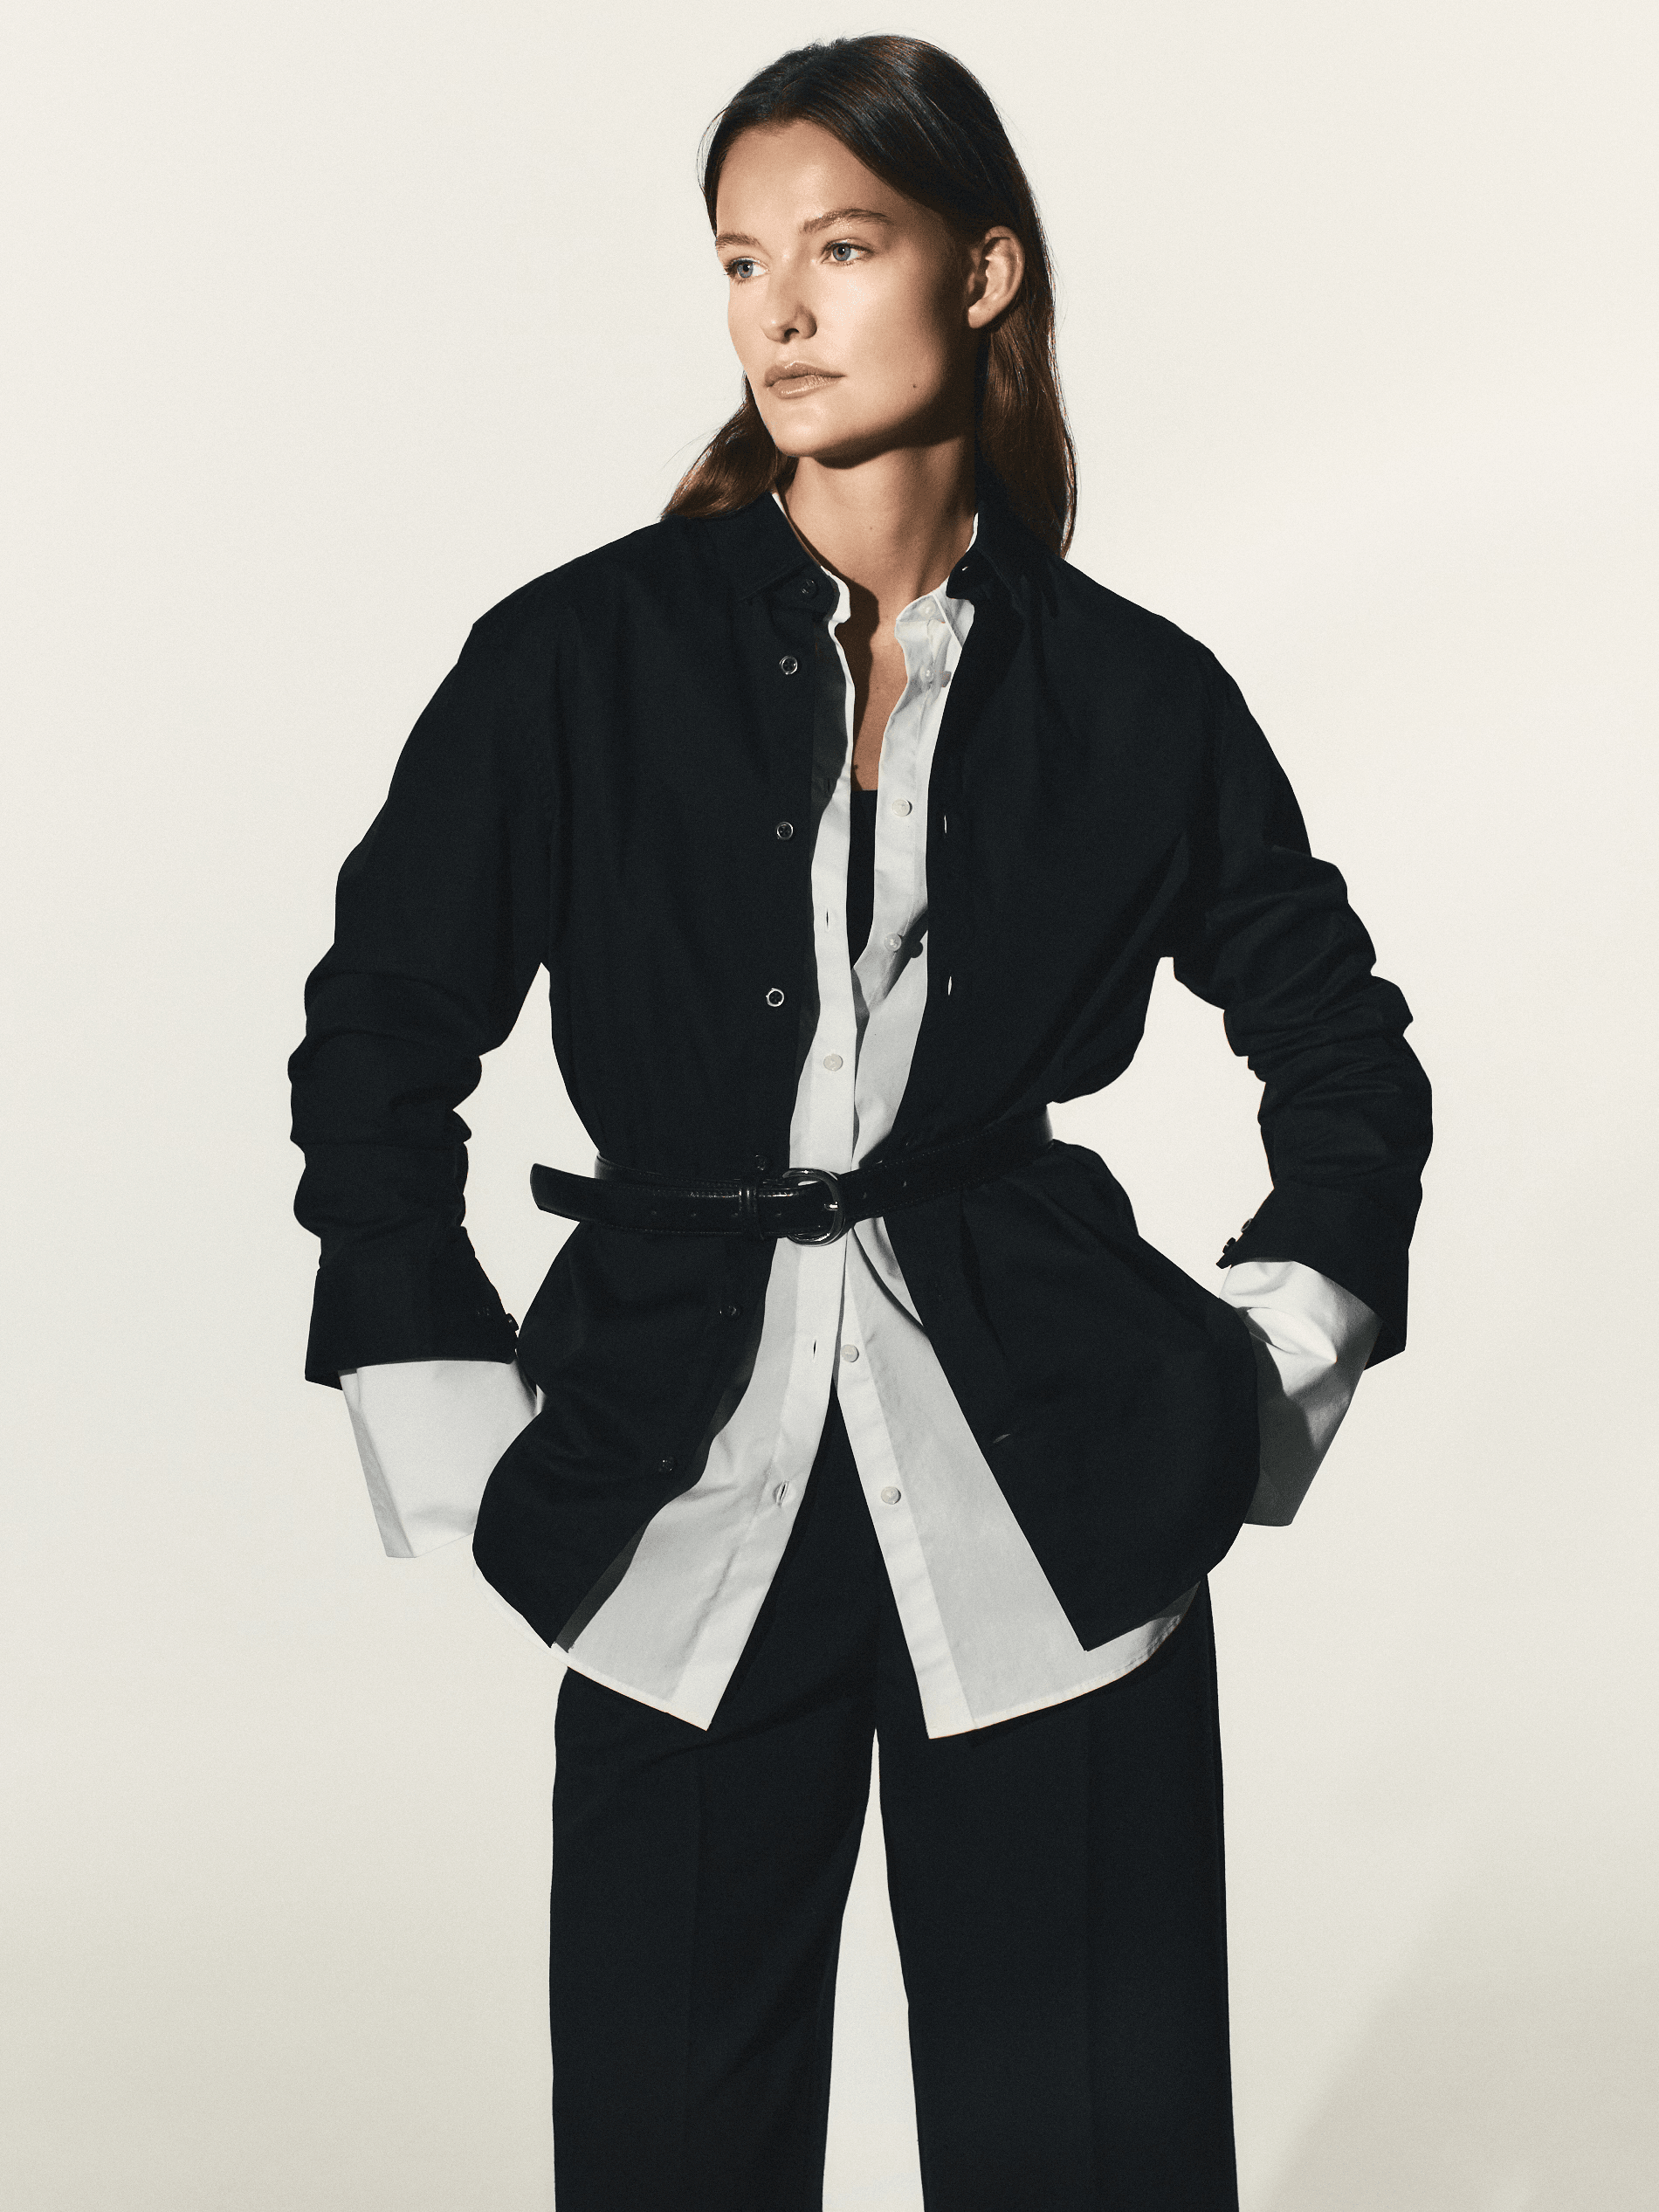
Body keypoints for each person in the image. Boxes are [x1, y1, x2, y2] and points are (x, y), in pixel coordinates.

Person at [289, 34, 1431, 2212]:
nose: (781, 314)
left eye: (840, 247)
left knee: (1086, 2161)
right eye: (742, 262)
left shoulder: (1134, 694)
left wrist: (1272, 1368)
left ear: (979, 273)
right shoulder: (575, 661)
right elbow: (378, 1036)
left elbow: (1339, 1050)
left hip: (1055, 1491)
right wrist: (444, 1402)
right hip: (671, 1488)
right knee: (667, 2155)